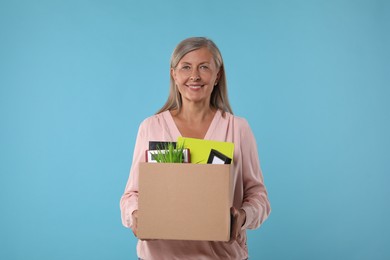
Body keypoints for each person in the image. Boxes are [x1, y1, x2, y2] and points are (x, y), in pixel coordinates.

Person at [120, 37, 271, 260]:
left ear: (217, 75)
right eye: (186, 67)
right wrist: (135, 215)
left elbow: (258, 196)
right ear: (173, 74)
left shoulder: (237, 128)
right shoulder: (151, 127)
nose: (195, 76)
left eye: (204, 67)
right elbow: (131, 195)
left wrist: (243, 216)